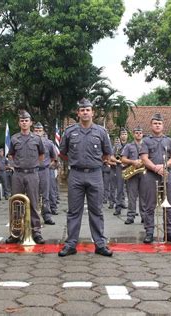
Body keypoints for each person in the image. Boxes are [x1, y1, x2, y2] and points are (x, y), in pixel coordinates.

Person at [58, 98, 114, 257]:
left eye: (87, 110)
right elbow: (62, 153)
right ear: (78, 113)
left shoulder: (101, 132)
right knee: (74, 211)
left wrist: (93, 162)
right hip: (75, 174)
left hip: (96, 174)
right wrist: (77, 163)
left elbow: (107, 153)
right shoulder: (69, 132)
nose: (85, 112)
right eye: (82, 110)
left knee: (96, 210)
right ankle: (70, 244)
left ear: (92, 112)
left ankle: (100, 244)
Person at [6, 110, 46, 244]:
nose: (24, 123)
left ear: (30, 123)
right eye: (22, 121)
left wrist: (33, 165)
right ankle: (16, 232)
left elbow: (41, 155)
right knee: (16, 203)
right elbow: (10, 154)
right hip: (17, 174)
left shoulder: (36, 138)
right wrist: (14, 165)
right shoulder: (14, 138)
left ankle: (36, 232)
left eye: (26, 120)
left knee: (34, 203)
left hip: (32, 174)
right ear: (19, 123)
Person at [139, 113, 171, 243]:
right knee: (149, 205)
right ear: (151, 125)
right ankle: (149, 232)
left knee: (169, 204)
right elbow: (144, 158)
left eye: (160, 123)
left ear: (163, 125)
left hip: (167, 175)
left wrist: (164, 166)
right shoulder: (146, 140)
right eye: (155, 123)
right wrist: (156, 168)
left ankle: (169, 231)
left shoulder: (169, 140)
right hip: (151, 175)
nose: (157, 125)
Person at [33, 122, 57, 225]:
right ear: (33, 131)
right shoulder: (29, 142)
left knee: (45, 195)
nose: (38, 132)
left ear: (43, 132)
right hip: (32, 171)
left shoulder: (48, 143)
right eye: (36, 130)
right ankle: (33, 217)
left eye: (40, 130)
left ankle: (47, 216)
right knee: (33, 194)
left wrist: (46, 164)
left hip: (44, 171)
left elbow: (54, 157)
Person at [121, 125, 144, 224]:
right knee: (132, 196)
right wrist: (133, 162)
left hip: (144, 174)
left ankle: (145, 216)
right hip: (132, 174)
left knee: (144, 197)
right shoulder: (128, 146)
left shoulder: (146, 145)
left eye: (140, 133)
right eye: (136, 133)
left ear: (142, 134)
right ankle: (131, 216)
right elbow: (123, 159)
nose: (138, 134)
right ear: (133, 134)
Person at [113, 128, 128, 215]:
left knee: (130, 189)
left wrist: (126, 162)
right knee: (119, 188)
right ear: (120, 136)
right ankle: (118, 207)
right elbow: (112, 157)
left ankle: (131, 209)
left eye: (125, 134)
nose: (124, 135)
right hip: (119, 168)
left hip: (128, 167)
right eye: (122, 134)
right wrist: (119, 162)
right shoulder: (116, 147)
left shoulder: (130, 145)